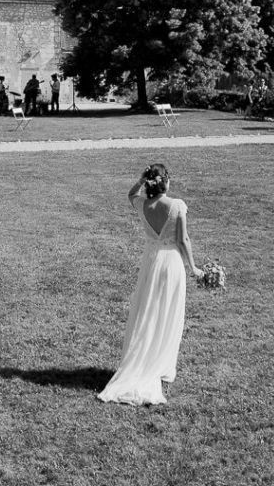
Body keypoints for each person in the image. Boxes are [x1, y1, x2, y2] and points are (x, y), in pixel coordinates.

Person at [98, 163, 203, 406]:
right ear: (166, 181)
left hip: (151, 261)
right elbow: (183, 239)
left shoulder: (143, 204)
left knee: (148, 310)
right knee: (167, 312)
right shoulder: (177, 206)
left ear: (150, 183)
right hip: (171, 264)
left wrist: (139, 179)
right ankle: (157, 363)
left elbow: (131, 194)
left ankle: (147, 360)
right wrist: (194, 267)